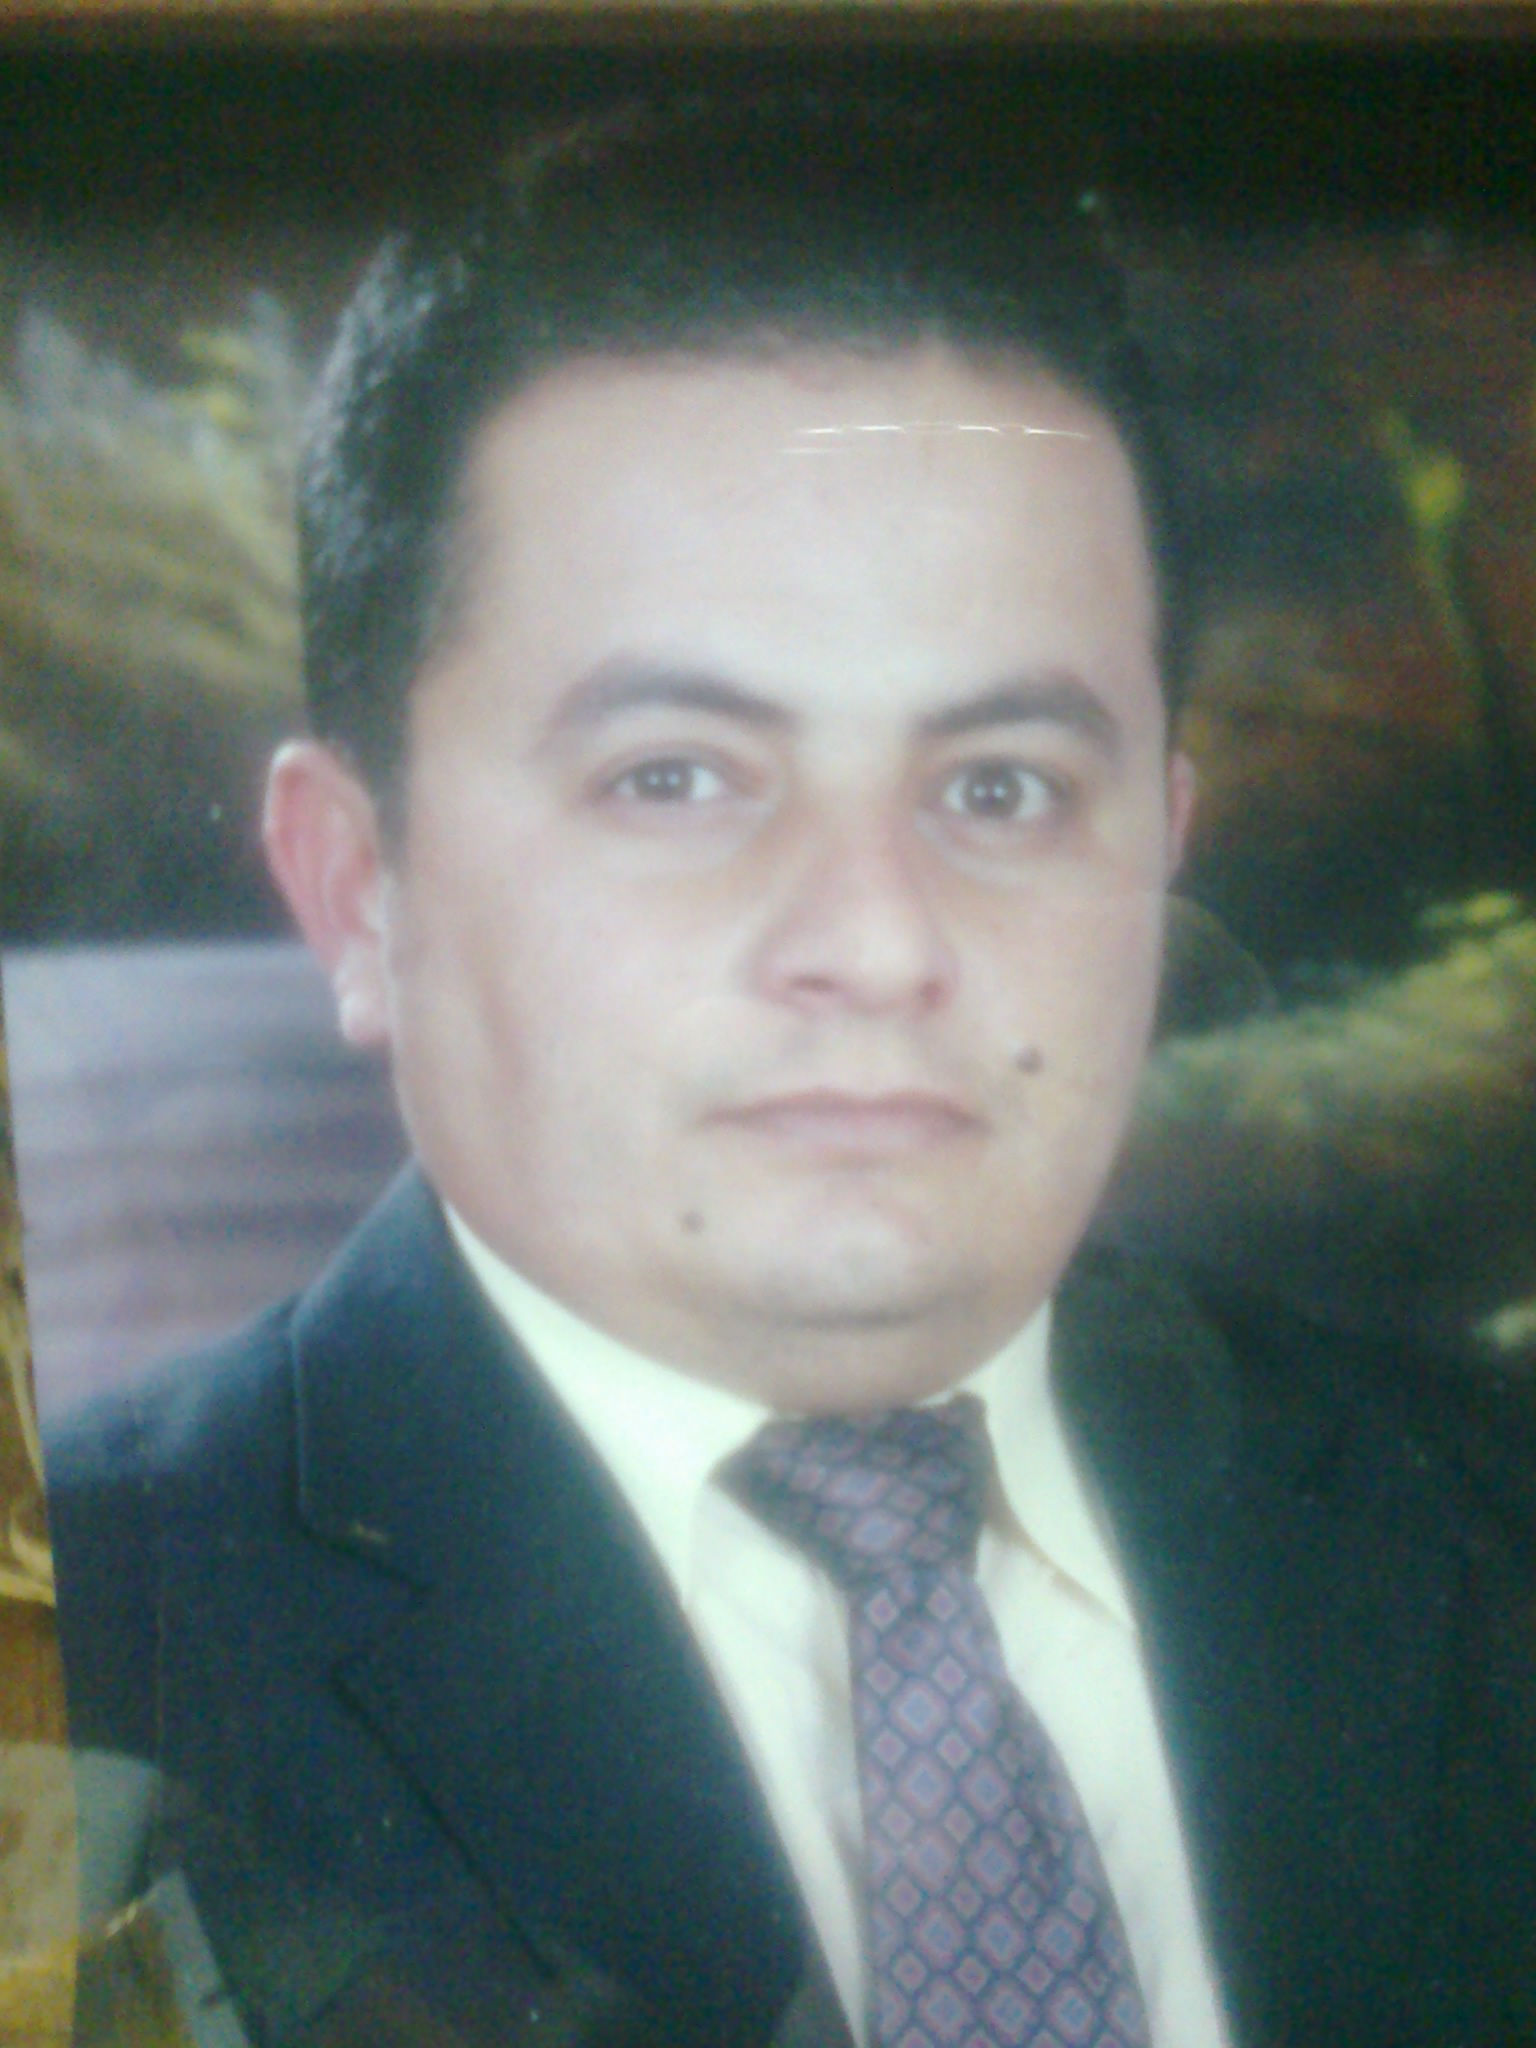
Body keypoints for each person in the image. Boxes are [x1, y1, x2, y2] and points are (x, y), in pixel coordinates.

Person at [44, 97, 1534, 2048]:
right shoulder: (89, 1655)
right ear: (354, 888)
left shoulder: (1487, 1512)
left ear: (1160, 853)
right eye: (678, 777)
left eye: (1001, 787)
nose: (881, 937)